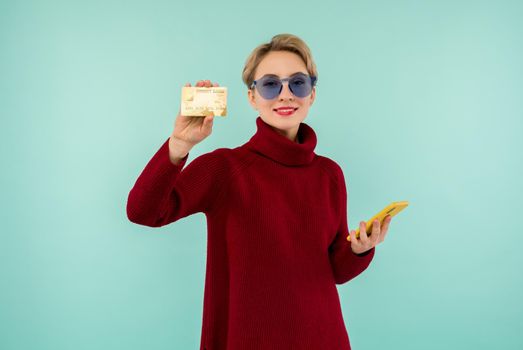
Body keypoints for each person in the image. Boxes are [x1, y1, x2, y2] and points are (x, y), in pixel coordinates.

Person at [127, 33, 392, 350]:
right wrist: (178, 146)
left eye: (298, 83)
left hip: (324, 338)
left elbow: (335, 270)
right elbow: (143, 213)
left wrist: (360, 249)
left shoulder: (329, 174)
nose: (285, 94)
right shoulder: (225, 168)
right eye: (270, 84)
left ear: (312, 95)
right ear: (252, 97)